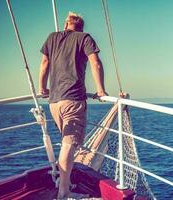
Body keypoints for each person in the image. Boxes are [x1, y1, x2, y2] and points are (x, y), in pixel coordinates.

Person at [38, 12, 107, 199]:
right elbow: (96, 63)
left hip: (54, 102)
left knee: (66, 144)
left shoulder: (52, 38)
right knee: (69, 146)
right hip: (73, 100)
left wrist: (42, 88)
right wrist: (101, 90)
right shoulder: (84, 38)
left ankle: (65, 182)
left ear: (65, 24)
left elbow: (44, 63)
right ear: (81, 27)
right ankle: (63, 192)